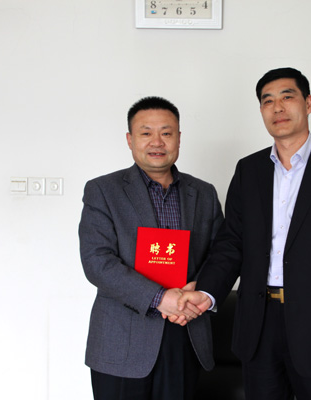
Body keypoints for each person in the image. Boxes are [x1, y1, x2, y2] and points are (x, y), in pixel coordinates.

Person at [177, 67, 311, 400]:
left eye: (287, 97)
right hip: (258, 324)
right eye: (267, 101)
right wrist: (207, 292)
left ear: (308, 103)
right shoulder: (249, 170)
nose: (278, 107)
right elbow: (232, 243)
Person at [78, 96, 223, 400]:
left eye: (166, 133)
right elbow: (97, 261)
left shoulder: (204, 193)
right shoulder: (103, 190)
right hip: (123, 339)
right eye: (146, 133)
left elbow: (219, 254)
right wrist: (159, 298)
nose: (157, 142)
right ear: (130, 140)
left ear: (179, 138)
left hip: (185, 332)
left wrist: (200, 291)